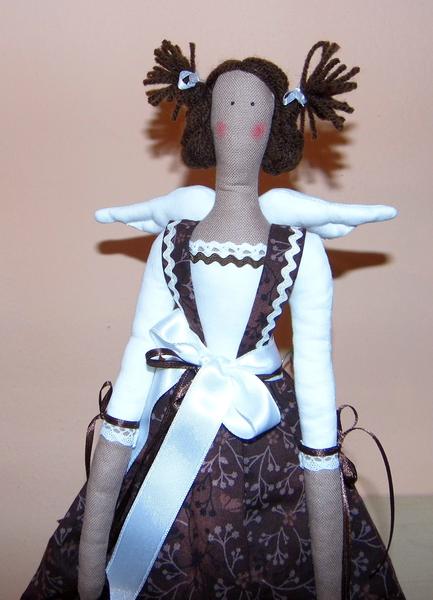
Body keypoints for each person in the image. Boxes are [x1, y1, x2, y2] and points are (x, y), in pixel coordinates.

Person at [23, 40, 405, 600]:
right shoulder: (173, 238)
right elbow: (141, 346)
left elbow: (316, 368)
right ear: (207, 119)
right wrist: (116, 440)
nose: (238, 123)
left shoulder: (299, 249)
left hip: (269, 427)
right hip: (177, 412)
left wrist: (322, 464)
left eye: (253, 111)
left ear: (275, 127)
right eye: (227, 108)